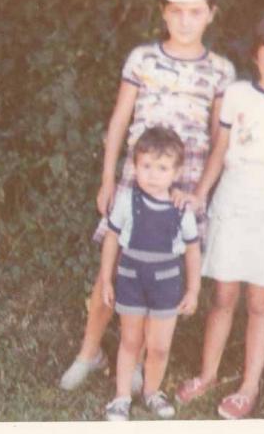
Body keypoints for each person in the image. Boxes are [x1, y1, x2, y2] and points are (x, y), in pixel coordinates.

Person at [59, 0, 235, 393]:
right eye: (176, 11)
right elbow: (120, 120)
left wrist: (200, 193)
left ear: (211, 13)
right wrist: (107, 179)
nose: (185, 21)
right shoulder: (142, 59)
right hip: (135, 184)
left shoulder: (221, 71)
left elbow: (220, 141)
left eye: (195, 12)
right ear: (163, 12)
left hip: (182, 192)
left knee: (159, 270)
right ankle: (89, 352)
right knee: (117, 264)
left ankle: (136, 361)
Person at [174, 14, 264, 420]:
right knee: (223, 296)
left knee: (260, 301)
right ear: (256, 54)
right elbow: (220, 150)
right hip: (233, 200)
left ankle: (249, 386)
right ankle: (207, 374)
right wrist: (200, 194)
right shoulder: (236, 94)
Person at [101, 126, 201, 421]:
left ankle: (152, 391)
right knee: (130, 341)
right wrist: (106, 279)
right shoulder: (126, 200)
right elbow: (111, 238)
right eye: (146, 166)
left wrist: (193, 290)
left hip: (166, 284)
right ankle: (121, 397)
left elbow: (193, 250)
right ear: (135, 166)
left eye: (162, 168)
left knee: (159, 346)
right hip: (131, 279)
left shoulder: (181, 209)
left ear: (176, 172)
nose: (153, 175)